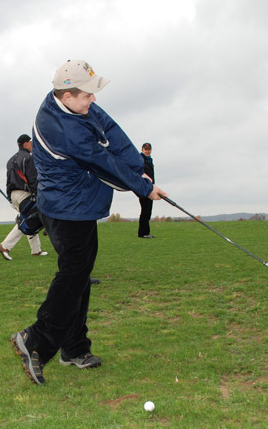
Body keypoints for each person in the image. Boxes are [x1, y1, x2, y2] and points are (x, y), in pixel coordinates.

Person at [10, 60, 167, 385]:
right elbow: (104, 162)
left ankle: (74, 347)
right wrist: (144, 187)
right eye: (87, 95)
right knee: (74, 274)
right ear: (67, 96)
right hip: (63, 209)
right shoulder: (62, 127)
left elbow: (110, 131)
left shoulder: (76, 106)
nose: (93, 101)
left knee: (81, 275)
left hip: (79, 205)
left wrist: (139, 166)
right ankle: (35, 339)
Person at [0, 134, 48, 260]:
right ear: (25, 143)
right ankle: (5, 246)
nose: (32, 145)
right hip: (25, 194)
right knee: (28, 220)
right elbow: (32, 178)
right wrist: (38, 193)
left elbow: (9, 181)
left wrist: (10, 196)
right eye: (30, 142)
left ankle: (36, 250)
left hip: (14, 195)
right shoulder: (28, 158)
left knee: (31, 219)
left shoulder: (11, 160)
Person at [138, 142, 156, 238]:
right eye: (146, 149)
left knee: (148, 210)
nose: (148, 151)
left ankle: (146, 232)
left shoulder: (149, 160)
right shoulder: (140, 160)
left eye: (149, 149)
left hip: (150, 188)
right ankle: (143, 233)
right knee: (145, 210)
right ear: (142, 150)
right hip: (144, 188)